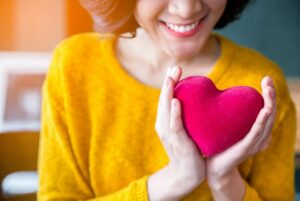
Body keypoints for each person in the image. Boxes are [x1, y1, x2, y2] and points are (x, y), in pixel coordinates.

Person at [38, 0, 296, 200]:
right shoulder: (73, 66)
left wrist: (224, 180)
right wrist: (177, 179)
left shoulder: (263, 85)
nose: (186, 9)